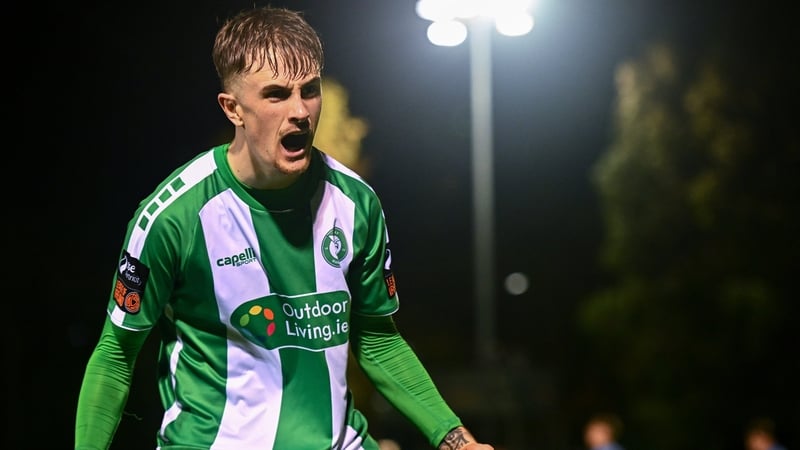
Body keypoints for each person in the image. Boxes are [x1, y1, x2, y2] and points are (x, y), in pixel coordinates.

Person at [74, 6, 494, 450]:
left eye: (309, 90)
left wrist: (458, 441)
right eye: (276, 95)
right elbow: (115, 357)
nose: (299, 111)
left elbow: (378, 341)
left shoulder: (356, 203)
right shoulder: (173, 217)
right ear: (233, 108)